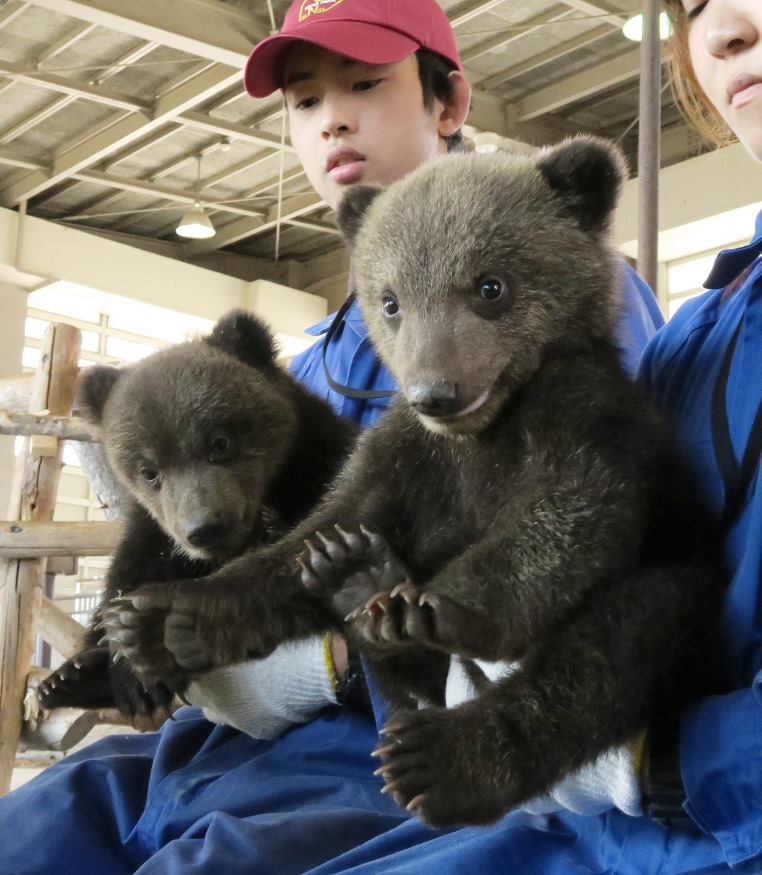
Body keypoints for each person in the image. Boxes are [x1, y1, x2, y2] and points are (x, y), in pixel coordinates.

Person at [0, 2, 678, 873]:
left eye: (364, 84)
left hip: (381, 748)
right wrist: (173, 637)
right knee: (34, 830)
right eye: (305, 101)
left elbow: (612, 509)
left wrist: (353, 653)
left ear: (447, 99)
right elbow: (293, 539)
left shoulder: (582, 287)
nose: (334, 119)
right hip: (240, 742)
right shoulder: (309, 357)